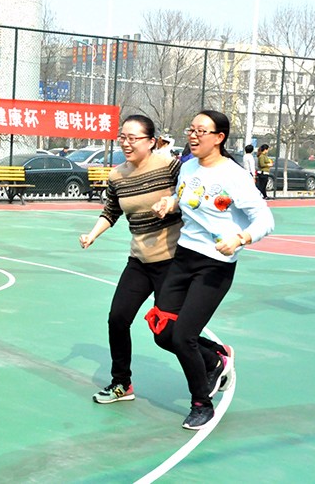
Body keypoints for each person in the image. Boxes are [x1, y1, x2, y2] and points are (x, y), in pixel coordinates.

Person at [79, 114, 229, 404]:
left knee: (169, 331)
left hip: (173, 260)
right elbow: (111, 211)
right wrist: (92, 234)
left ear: (150, 141)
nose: (126, 143)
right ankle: (121, 383)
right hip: (139, 260)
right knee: (117, 319)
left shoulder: (170, 166)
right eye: (122, 137)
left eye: (133, 138)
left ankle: (214, 358)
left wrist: (171, 205)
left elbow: (191, 195)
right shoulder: (117, 176)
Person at [151, 110, 274, 430]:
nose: (193, 136)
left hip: (215, 265)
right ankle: (216, 359)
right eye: (190, 129)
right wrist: (169, 203)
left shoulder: (234, 176)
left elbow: (265, 219)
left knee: (184, 336)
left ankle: (201, 404)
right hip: (183, 258)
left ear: (219, 137)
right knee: (162, 332)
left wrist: (240, 238)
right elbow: (185, 197)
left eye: (201, 131)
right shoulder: (188, 167)